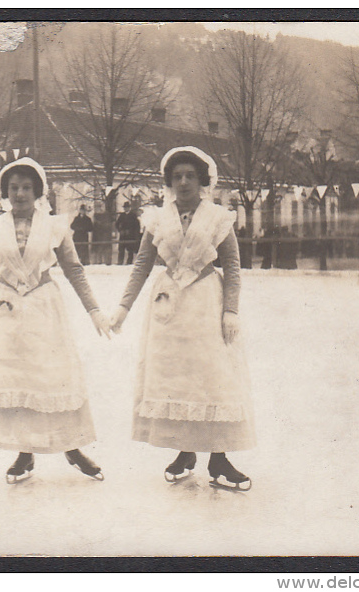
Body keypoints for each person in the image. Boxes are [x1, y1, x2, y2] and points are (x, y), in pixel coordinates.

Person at [0, 157, 113, 483]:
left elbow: (74, 269)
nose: (19, 194)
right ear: (5, 192)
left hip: (43, 306)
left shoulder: (54, 225)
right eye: (13, 188)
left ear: (38, 191)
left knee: (52, 377)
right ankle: (24, 453)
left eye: (26, 187)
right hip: (5, 307)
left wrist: (95, 311)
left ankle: (72, 447)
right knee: (17, 380)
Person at [110, 146, 256, 491]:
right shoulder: (157, 219)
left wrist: (231, 309)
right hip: (169, 308)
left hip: (207, 301)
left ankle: (218, 457)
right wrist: (122, 308)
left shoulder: (217, 217)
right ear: (169, 182)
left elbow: (232, 268)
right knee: (177, 379)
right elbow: (142, 266)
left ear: (203, 180)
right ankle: (185, 451)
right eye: (177, 177)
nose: (184, 182)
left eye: (191, 176)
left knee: (212, 377)